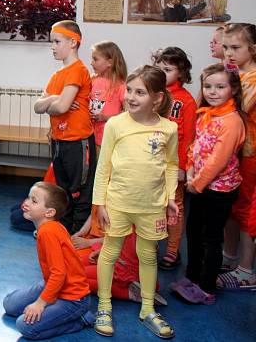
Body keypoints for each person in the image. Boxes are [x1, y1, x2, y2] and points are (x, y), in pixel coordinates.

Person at [92, 65, 179, 339]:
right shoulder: (116, 124)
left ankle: (148, 308)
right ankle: (104, 306)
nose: (131, 96)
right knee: (110, 252)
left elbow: (171, 165)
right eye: (129, 90)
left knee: (148, 256)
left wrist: (170, 198)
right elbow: (103, 165)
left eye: (140, 92)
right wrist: (100, 203)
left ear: (157, 98)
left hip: (151, 207)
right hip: (117, 203)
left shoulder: (169, 128)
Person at [169, 63, 245, 305]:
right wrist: (190, 173)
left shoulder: (232, 121)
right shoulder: (205, 114)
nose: (213, 91)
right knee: (193, 232)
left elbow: (218, 161)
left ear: (232, 89)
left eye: (220, 87)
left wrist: (196, 184)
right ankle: (192, 277)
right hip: (198, 185)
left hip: (219, 190)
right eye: (208, 86)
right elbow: (194, 147)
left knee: (211, 238)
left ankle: (206, 287)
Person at [2, 182, 94, 340]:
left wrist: (40, 303)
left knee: (24, 326)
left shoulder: (48, 233)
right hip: (53, 285)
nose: (26, 203)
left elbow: (59, 274)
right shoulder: (46, 228)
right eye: (29, 198)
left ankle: (81, 319)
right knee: (9, 304)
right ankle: (49, 303)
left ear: (50, 212)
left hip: (73, 299)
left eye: (34, 201)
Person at [34, 21, 96, 234]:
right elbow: (38, 107)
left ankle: (77, 238)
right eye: (52, 41)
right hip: (59, 141)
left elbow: (60, 107)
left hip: (77, 142)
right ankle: (64, 235)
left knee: (79, 193)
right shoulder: (56, 76)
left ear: (73, 42)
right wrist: (56, 97)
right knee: (63, 192)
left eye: (56, 41)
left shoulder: (78, 70)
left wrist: (54, 102)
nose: (52, 46)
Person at [218, 23, 256, 289]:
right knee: (231, 207)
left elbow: (239, 107)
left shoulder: (252, 78)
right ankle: (229, 258)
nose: (229, 53)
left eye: (236, 48)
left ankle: (245, 270)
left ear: (252, 49)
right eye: (226, 47)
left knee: (245, 210)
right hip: (234, 152)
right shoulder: (235, 74)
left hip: (251, 153)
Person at [152, 47, 197, 270]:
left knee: (174, 207)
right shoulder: (151, 95)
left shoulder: (186, 101)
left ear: (180, 72)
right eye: (159, 68)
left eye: (167, 70)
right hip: (151, 162)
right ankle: (149, 246)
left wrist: (183, 167)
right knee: (151, 205)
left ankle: (172, 251)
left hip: (173, 164)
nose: (162, 73)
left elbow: (189, 137)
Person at [88, 41, 127, 153]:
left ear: (110, 62)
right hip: (88, 137)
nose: (91, 63)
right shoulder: (91, 80)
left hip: (107, 141)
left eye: (95, 59)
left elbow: (128, 114)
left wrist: (105, 118)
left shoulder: (121, 86)